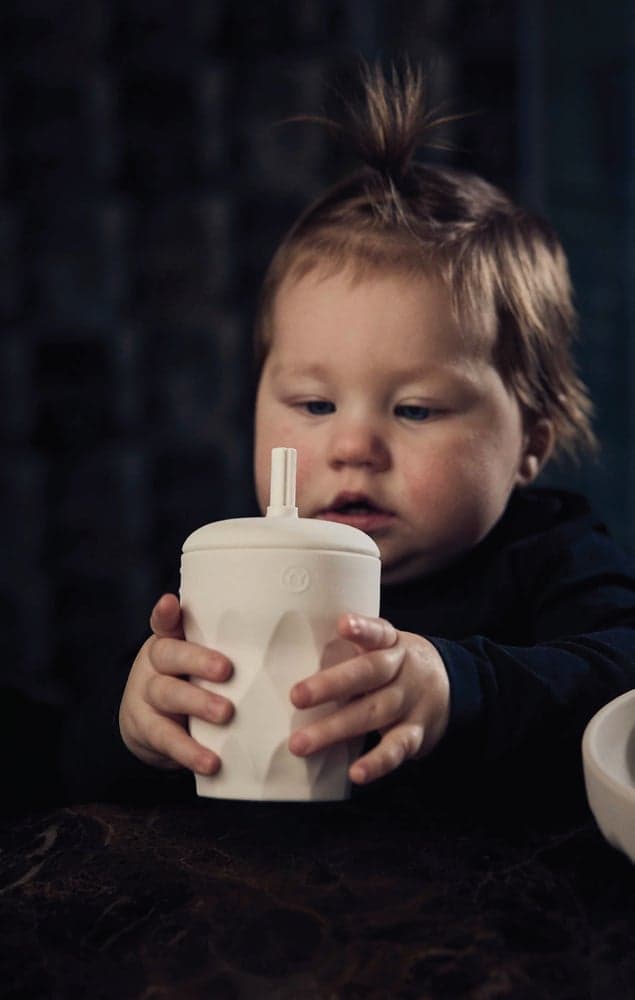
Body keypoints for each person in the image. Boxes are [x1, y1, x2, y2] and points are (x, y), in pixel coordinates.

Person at [80, 64, 635, 806]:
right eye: (313, 405)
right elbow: (72, 754)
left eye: (414, 410)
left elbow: (619, 682)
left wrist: (459, 687)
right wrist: (136, 720)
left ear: (529, 443)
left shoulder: (552, 560)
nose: (352, 448)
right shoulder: (226, 572)